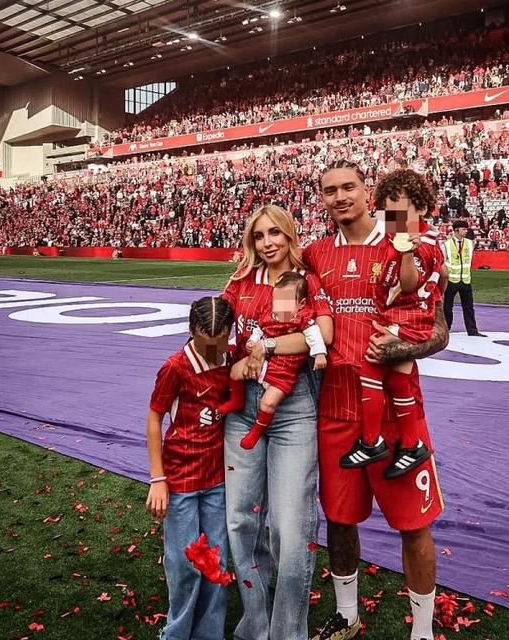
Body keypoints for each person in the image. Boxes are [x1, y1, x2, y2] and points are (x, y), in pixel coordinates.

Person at [304, 160, 448, 640]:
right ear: (322, 199)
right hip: (334, 409)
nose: (340, 197)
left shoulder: (406, 241)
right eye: (330, 190)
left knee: (414, 524)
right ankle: (347, 615)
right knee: (339, 518)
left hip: (394, 412)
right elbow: (285, 308)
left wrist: (404, 349)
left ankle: (422, 632)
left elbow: (440, 330)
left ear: (369, 193)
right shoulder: (313, 255)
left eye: (349, 187)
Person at [220, 204, 333, 640]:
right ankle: (255, 626)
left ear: (289, 236)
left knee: (290, 527)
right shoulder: (242, 282)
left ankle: (287, 633)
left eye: (275, 234)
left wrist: (264, 348)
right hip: (243, 407)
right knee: (241, 521)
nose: (267, 243)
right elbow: (217, 331)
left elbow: (319, 336)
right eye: (259, 235)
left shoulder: (300, 282)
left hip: (292, 406)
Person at [339, 169, 444, 479]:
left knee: (370, 371)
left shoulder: (416, 244)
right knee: (399, 382)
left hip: (404, 321)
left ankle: (372, 441)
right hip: (409, 319)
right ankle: (411, 444)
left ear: (421, 208)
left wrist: (407, 255)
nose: (393, 220)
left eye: (400, 213)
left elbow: (408, 284)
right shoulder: (410, 238)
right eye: (387, 214)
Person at [145, 297, 234, 640]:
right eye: (205, 342)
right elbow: (154, 417)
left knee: (216, 561)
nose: (213, 351)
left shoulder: (232, 358)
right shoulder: (175, 367)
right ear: (191, 331)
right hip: (181, 480)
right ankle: (176, 633)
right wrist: (158, 478)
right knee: (184, 565)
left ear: (230, 332)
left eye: (220, 342)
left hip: (218, 480)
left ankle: (209, 633)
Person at [219, 271, 328, 449]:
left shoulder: (303, 316)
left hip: (284, 370)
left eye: (286, 302)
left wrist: (319, 353)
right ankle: (237, 400)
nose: (280, 307)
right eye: (278, 301)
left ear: (301, 304)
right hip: (258, 367)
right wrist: (253, 341)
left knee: (268, 402)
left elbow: (317, 335)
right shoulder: (270, 312)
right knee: (235, 371)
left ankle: (257, 430)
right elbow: (259, 328)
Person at [442, 220, 486, 337]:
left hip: (466, 280)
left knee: (469, 307)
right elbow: (442, 263)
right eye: (464, 229)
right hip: (451, 280)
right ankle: (446, 330)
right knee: (447, 307)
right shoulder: (446, 245)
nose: (466, 231)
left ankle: (472, 331)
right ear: (456, 230)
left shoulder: (470, 243)